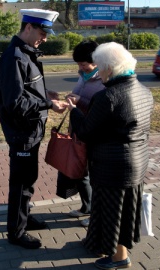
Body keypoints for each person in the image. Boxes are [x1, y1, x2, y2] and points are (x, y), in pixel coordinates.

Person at [66, 42, 154, 269]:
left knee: (113, 214)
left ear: (108, 68)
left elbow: (85, 131)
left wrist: (73, 111)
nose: (98, 71)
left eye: (100, 67)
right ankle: (96, 242)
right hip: (136, 161)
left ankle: (119, 258)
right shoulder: (144, 91)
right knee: (122, 211)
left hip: (112, 167)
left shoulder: (109, 97)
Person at [0, 8, 67, 249]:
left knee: (29, 179)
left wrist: (45, 94)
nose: (45, 38)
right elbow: (14, 103)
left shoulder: (26, 54)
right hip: (22, 132)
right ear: (28, 27)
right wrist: (48, 103)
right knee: (21, 183)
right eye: (42, 31)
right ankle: (16, 232)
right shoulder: (15, 58)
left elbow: (25, 91)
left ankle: (24, 218)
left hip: (31, 130)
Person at [64, 40, 105, 228]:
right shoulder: (83, 75)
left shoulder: (104, 79)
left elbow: (101, 109)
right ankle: (86, 206)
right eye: (78, 64)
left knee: (95, 176)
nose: (81, 68)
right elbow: (79, 96)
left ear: (96, 61)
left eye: (84, 64)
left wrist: (80, 101)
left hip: (92, 134)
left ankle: (97, 214)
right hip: (78, 130)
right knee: (80, 172)